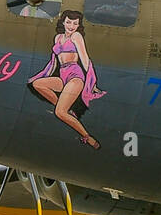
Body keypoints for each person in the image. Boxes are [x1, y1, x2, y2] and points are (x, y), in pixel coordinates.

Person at [27, 10, 106, 149]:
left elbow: (85, 59)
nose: (71, 26)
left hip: (75, 76)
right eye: (68, 22)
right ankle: (67, 110)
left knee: (59, 113)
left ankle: (87, 137)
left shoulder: (76, 36)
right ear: (63, 22)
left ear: (78, 25)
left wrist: (91, 80)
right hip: (62, 75)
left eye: (75, 23)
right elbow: (54, 62)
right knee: (37, 84)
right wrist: (46, 75)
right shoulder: (58, 38)